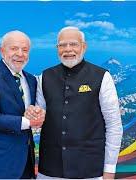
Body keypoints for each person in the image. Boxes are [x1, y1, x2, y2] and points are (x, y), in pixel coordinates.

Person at [26, 26, 123, 179]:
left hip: (90, 170)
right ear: (57, 48)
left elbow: (114, 126)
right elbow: (39, 116)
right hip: (50, 169)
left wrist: (109, 169)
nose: (68, 49)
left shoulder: (102, 77)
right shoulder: (45, 76)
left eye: (73, 44)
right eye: (62, 45)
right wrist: (33, 114)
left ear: (84, 47)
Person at [0, 30, 45, 179]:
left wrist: (38, 114)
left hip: (24, 164)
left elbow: (30, 110)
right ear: (2, 51)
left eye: (25, 50)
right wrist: (28, 122)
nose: (20, 53)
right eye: (14, 48)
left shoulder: (30, 79)